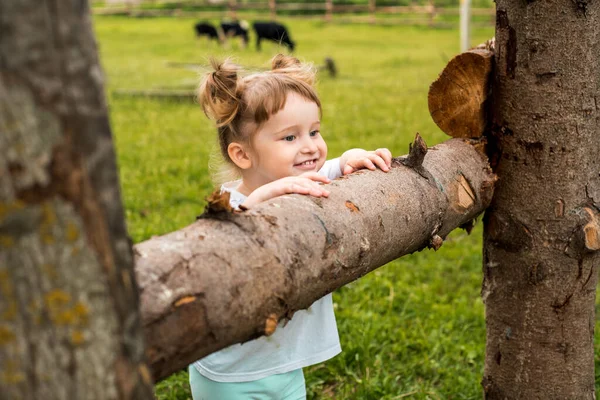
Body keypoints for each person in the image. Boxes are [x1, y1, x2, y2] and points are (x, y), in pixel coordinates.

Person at [190, 54, 392, 400]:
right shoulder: (233, 206)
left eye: (314, 131)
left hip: (283, 366)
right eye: (290, 138)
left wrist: (345, 161)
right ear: (242, 156)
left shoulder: (295, 179)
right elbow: (228, 233)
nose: (310, 146)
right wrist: (270, 194)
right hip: (232, 375)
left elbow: (317, 173)